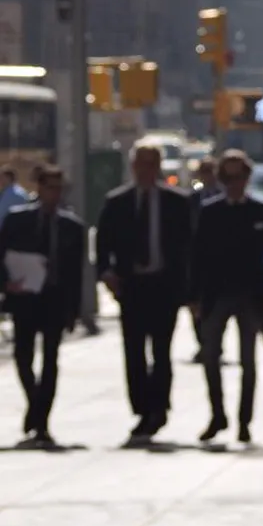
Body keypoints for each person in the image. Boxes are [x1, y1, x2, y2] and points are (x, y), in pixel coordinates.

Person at [97, 142, 194, 443]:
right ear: (132, 166)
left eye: (151, 164)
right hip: (132, 286)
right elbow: (103, 244)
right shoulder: (117, 202)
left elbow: (190, 248)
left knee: (161, 351)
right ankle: (142, 407)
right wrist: (106, 273)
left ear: (159, 167)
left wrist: (191, 292)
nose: (145, 170)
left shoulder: (177, 202)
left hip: (164, 286)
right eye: (140, 164)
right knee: (134, 351)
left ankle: (159, 407)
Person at [189, 151, 263, 445]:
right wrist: (194, 297)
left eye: (239, 177)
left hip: (250, 297)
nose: (234, 183)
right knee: (210, 356)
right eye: (228, 178)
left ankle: (244, 421)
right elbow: (198, 255)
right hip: (216, 295)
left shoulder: (262, 212)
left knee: (248, 362)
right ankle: (218, 415)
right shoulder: (210, 212)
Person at [0, 165, 85, 445]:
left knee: (50, 360)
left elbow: (76, 273)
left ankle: (42, 419)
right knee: (23, 357)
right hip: (25, 298)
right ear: (39, 187)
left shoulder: (71, 226)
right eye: (49, 187)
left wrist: (75, 310)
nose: (54, 193)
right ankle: (34, 404)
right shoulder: (17, 220)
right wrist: (6, 285)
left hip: (54, 300)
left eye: (59, 188)